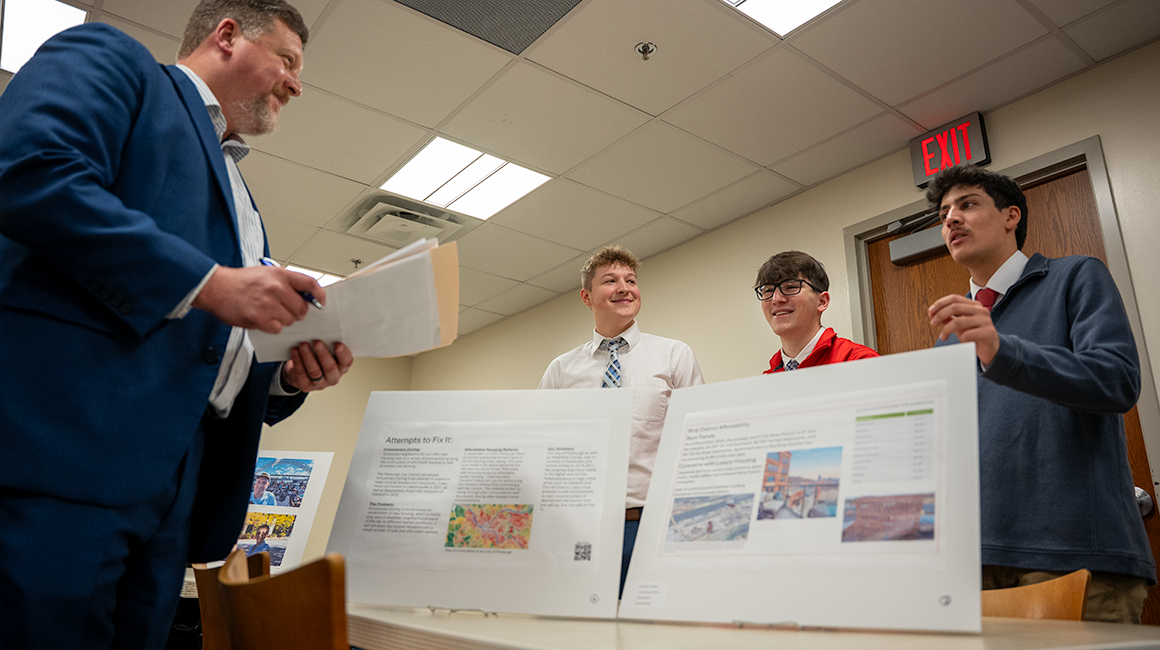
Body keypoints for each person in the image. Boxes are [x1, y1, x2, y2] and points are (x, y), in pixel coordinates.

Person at [0, 1, 355, 647]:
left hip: (177, 492)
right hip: (65, 457)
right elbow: (30, 169)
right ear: (226, 35)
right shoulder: (115, 63)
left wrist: (288, 377)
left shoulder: (244, 202)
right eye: (289, 60)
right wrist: (213, 283)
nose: (297, 84)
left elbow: (215, 345)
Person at [925, 164, 1155, 623]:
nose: (950, 218)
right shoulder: (950, 337)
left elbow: (1116, 380)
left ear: (1012, 216)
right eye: (944, 211)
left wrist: (1001, 350)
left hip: (1076, 554)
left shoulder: (1076, 278)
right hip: (975, 561)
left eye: (967, 204)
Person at [539, 246, 704, 595]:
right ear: (587, 296)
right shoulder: (561, 370)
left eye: (631, 280)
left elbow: (697, 441)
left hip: (648, 523)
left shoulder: (674, 355)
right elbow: (543, 446)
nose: (624, 287)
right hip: (578, 525)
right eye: (610, 280)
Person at [754, 251, 877, 373]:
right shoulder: (769, 377)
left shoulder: (860, 362)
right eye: (768, 290)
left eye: (791, 287)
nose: (776, 299)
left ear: (822, 301)